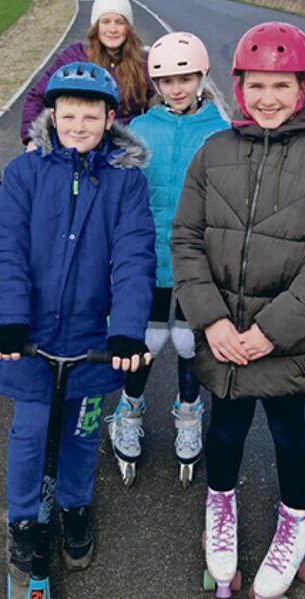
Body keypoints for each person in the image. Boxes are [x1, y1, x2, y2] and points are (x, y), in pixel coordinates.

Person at [171, 23, 305, 599]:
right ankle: (219, 509)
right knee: (224, 431)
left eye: (281, 84)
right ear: (239, 86)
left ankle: (293, 522)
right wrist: (213, 320)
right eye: (256, 85)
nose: (267, 98)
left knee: (288, 433)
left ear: (302, 87)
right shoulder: (214, 152)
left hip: (286, 339)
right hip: (222, 335)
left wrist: (271, 332)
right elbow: (186, 240)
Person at [0, 61, 156, 589]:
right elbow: (3, 247)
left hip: (90, 341)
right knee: (31, 432)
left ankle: (75, 508)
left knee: (82, 434)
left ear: (109, 119)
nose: (79, 126)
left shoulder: (125, 182)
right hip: (32, 339)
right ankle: (22, 520)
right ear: (52, 116)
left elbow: (134, 255)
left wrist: (126, 331)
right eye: (69, 115)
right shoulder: (26, 173)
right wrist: (10, 320)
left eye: (91, 116)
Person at [108, 32, 230, 488]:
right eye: (167, 80)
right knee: (145, 340)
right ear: (155, 81)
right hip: (148, 259)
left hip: (200, 262)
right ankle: (130, 407)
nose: (176, 88)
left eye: (185, 78)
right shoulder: (140, 129)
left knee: (188, 342)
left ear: (201, 77)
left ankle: (188, 410)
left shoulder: (221, 133)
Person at [20, 0, 154, 144]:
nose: (113, 29)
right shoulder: (75, 57)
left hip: (124, 150)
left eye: (119, 22)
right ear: (95, 26)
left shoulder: (143, 62)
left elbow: (157, 106)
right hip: (80, 143)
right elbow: (36, 96)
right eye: (105, 21)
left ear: (128, 27)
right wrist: (32, 139)